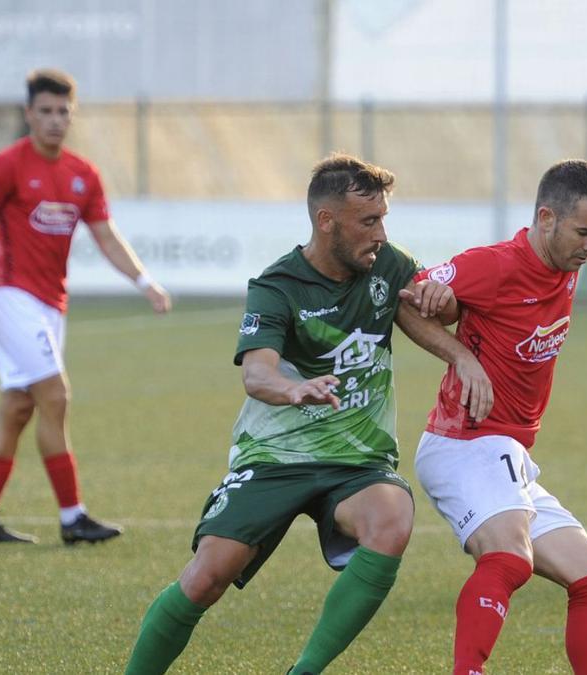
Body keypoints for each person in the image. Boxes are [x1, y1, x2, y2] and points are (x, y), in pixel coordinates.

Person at [123, 154, 492, 675]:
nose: (381, 232)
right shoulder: (276, 286)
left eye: (384, 218)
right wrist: (295, 391)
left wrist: (459, 347)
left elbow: (426, 313)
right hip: (276, 456)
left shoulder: (387, 264)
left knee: (392, 520)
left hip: (357, 461)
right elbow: (257, 374)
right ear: (326, 221)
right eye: (368, 221)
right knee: (209, 576)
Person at [406, 152, 587, 675]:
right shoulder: (494, 265)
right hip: (465, 441)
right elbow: (408, 300)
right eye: (583, 232)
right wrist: (461, 356)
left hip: (506, 451)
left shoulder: (566, 259)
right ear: (546, 219)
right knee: (509, 559)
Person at [0, 68, 172, 545]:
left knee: (17, 407)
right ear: (29, 113)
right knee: (55, 396)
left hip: (51, 304)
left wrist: (144, 282)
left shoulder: (82, 174)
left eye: (63, 112)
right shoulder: (5, 165)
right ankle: (74, 517)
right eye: (46, 111)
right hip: (9, 296)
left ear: (72, 115)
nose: (55, 120)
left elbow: (107, 237)